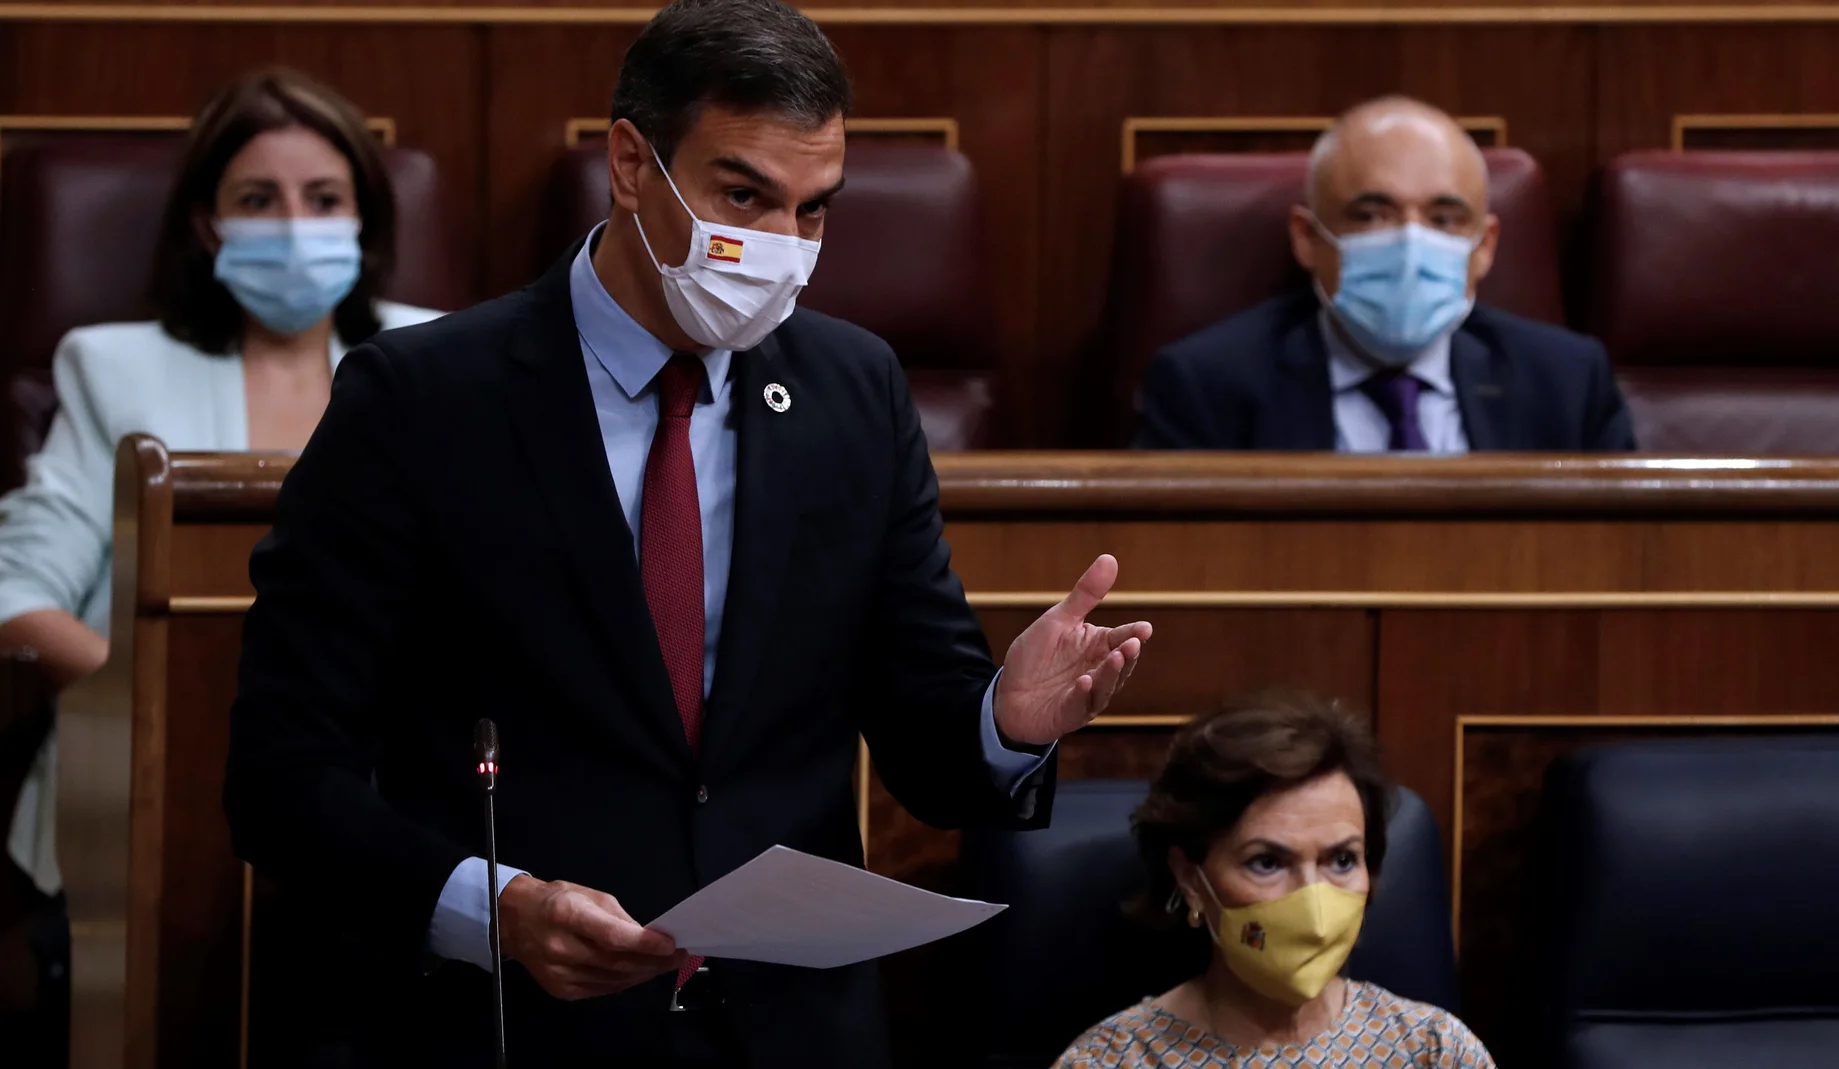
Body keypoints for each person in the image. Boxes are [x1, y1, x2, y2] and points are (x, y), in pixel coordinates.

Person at [222, 2, 1150, 1066]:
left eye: (812, 211)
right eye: (743, 195)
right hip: (518, 1023)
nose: (779, 248)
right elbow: (282, 777)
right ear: (630, 163)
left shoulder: (855, 391)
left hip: (789, 1030)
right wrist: (497, 910)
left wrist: (1008, 720)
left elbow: (925, 736)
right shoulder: (422, 401)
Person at [0, 68, 439, 903]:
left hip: (382, 796)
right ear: (208, 224)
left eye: (322, 198)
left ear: (363, 220)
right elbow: (16, 591)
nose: (295, 226)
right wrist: (176, 706)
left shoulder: (442, 360)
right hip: (148, 780)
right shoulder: (113, 369)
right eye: (258, 200)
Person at [1135, 96, 1634, 453]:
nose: (1409, 242)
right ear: (1307, 238)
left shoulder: (1568, 383)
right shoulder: (1206, 386)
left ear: (1484, 247)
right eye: (1372, 215)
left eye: (1443, 219)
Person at [1057, 692, 1494, 1068]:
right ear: (1190, 876)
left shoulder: (1435, 1051)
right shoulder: (1111, 1060)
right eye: (1267, 862)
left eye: (1342, 859)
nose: (1313, 903)